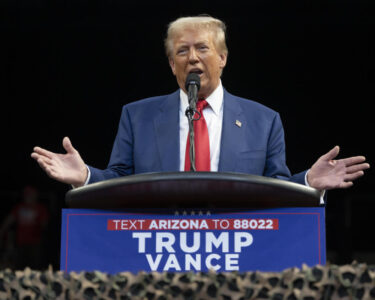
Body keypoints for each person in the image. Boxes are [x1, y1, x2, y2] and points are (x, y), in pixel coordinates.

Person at [31, 15, 369, 196]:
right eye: (182, 50)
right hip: (157, 252)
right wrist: (86, 177)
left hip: (237, 253)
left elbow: (274, 189)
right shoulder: (137, 116)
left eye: (202, 49)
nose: (192, 57)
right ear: (171, 64)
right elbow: (120, 181)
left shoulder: (263, 120)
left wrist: (308, 181)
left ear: (222, 58)